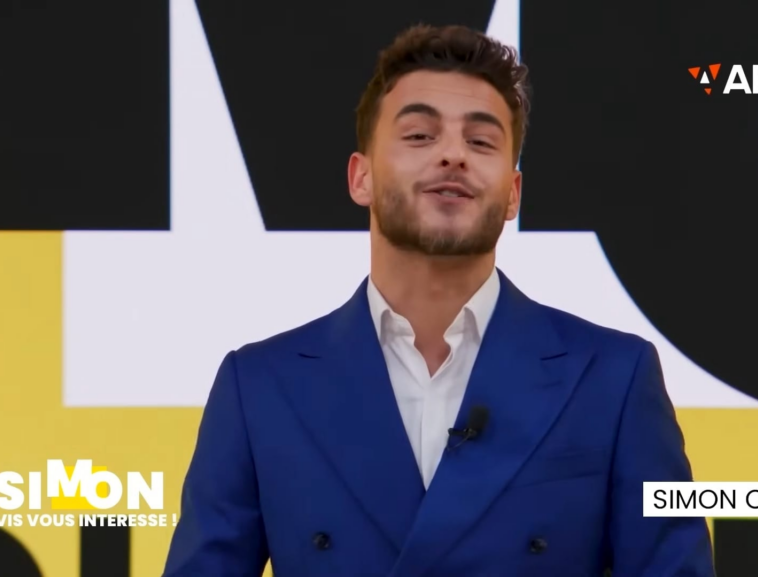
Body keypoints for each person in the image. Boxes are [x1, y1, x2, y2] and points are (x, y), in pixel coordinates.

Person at [163, 23, 714, 576]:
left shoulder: (615, 377)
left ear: (513, 194)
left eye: (481, 141)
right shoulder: (259, 386)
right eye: (420, 135)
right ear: (361, 177)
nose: (453, 155)